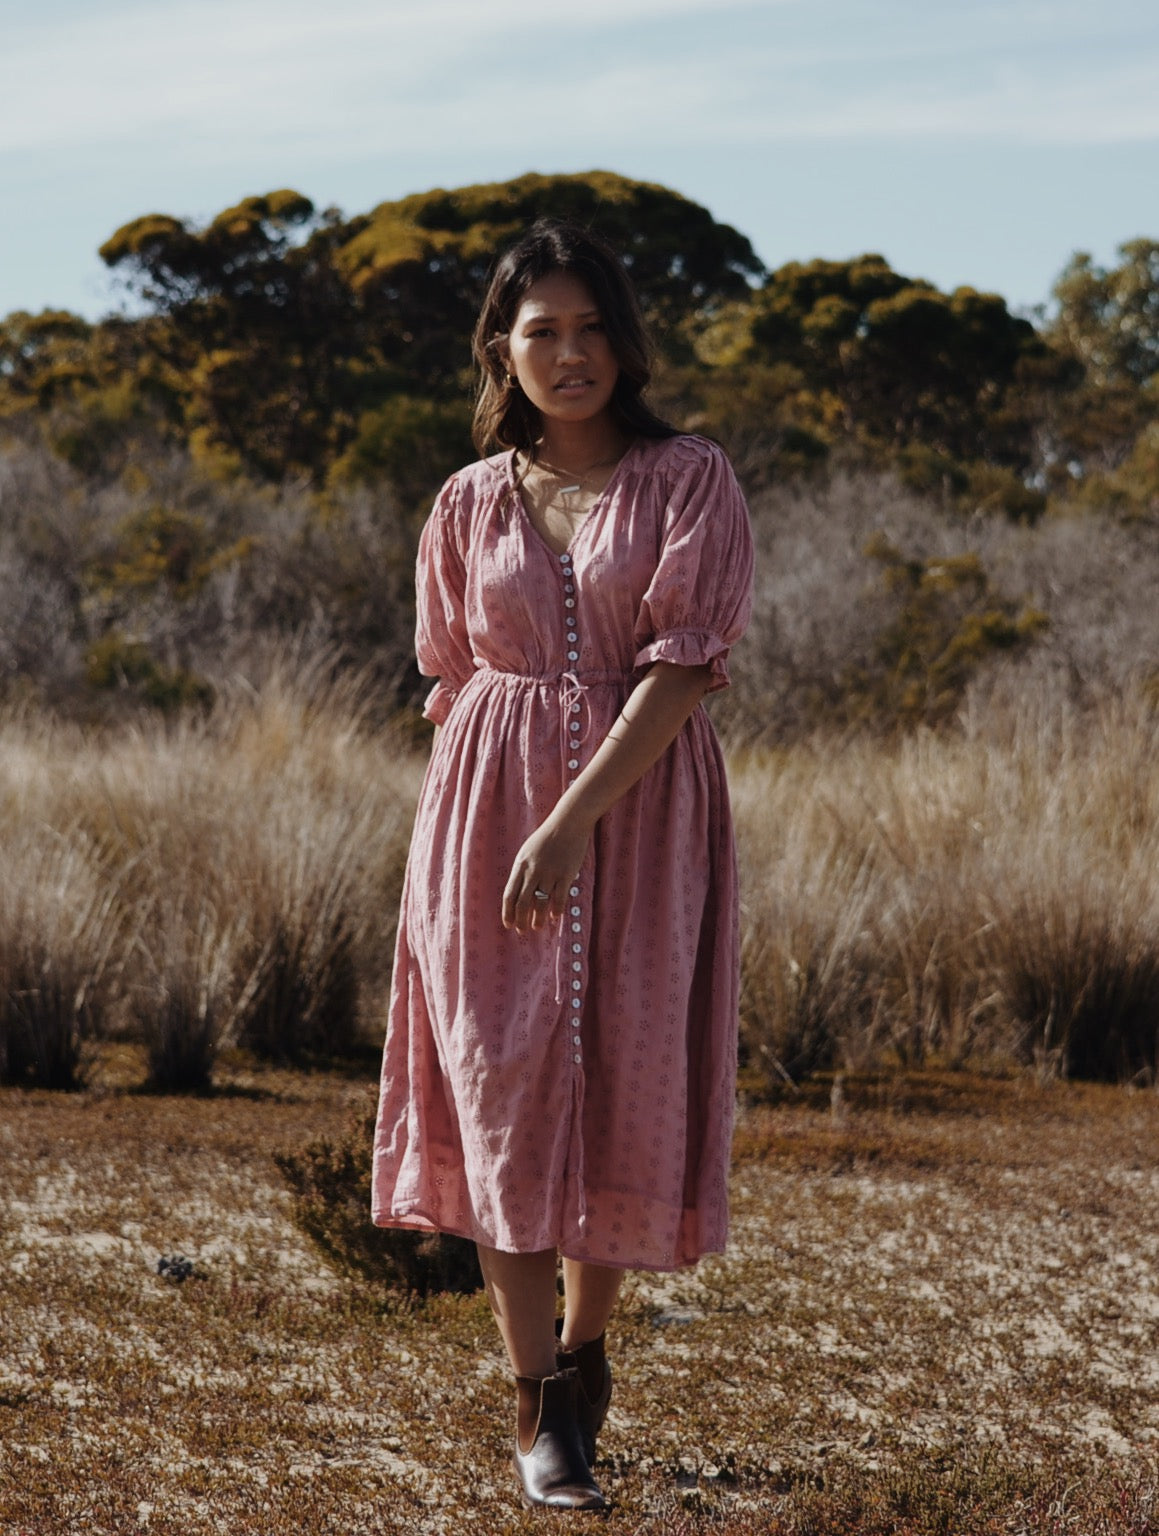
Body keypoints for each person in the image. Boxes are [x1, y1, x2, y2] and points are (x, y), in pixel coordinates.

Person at [371, 218, 754, 1512]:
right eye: (543, 330)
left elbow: (684, 668)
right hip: (483, 824)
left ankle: (586, 1354)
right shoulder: (465, 501)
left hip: (641, 821)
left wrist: (573, 816)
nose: (571, 352)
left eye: (593, 327)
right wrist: (492, 826)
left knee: (622, 1080)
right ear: (503, 348)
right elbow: (453, 677)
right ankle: (537, 1402)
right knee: (502, 1091)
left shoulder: (689, 478)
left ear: (625, 341)